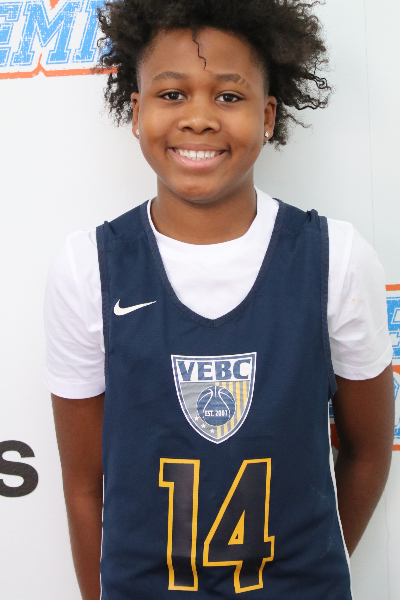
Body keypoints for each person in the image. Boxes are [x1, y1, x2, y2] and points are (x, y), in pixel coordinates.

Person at [44, 1, 395, 599]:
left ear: (268, 115)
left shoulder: (335, 258)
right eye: (172, 94)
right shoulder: (88, 267)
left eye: (229, 96)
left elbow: (367, 452)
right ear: (137, 111)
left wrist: (309, 571)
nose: (200, 118)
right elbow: (83, 485)